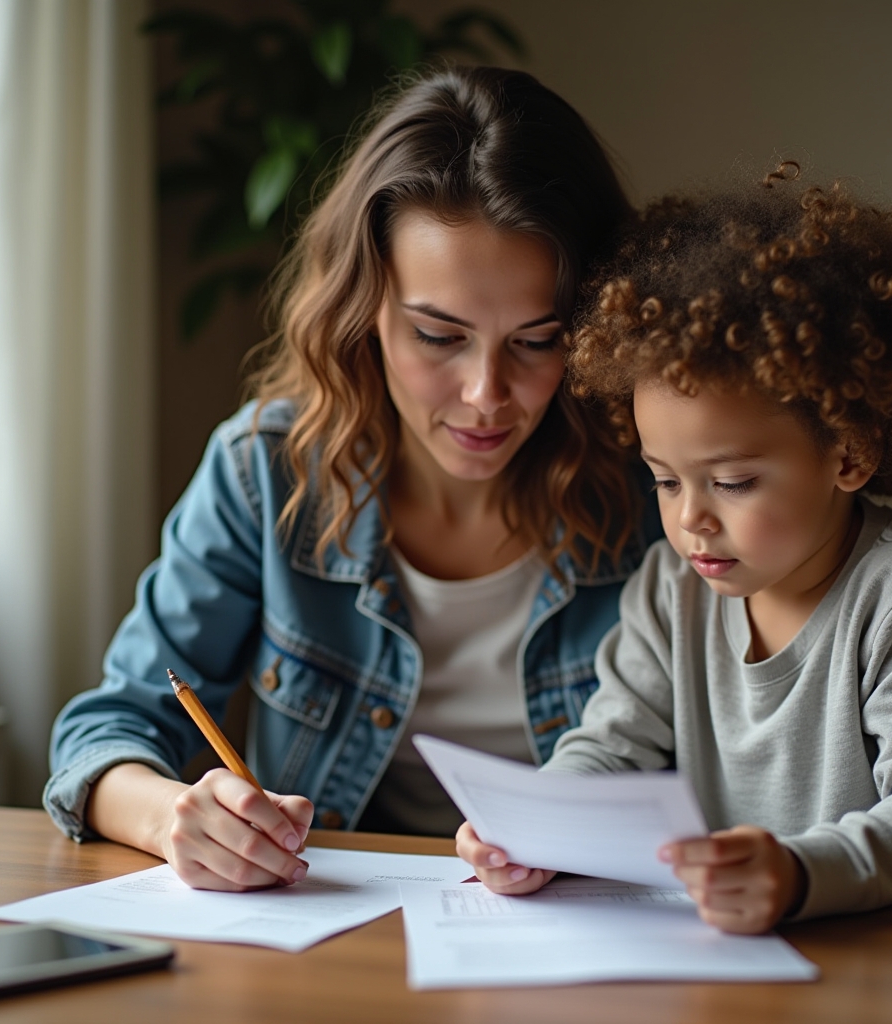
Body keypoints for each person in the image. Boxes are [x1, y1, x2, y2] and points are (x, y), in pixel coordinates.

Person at [45, 66, 659, 892]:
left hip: (594, 930)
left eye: (537, 340)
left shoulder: (659, 485)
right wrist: (172, 820)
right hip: (332, 930)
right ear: (364, 308)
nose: (486, 395)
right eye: (439, 335)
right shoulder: (267, 473)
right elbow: (108, 725)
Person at [457, 164, 892, 933]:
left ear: (848, 453)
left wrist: (801, 872)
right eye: (666, 482)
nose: (692, 521)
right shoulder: (669, 588)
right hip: (776, 944)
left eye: (733, 482)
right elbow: (609, 746)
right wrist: (538, 829)